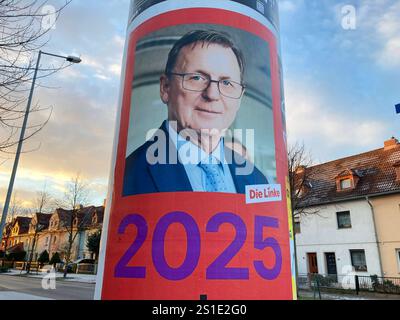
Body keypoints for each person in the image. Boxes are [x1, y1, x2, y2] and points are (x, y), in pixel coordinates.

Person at [123, 30, 268, 196]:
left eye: (227, 82)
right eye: (197, 78)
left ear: (239, 99)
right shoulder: (128, 175)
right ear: (165, 88)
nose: (212, 94)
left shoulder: (257, 180)